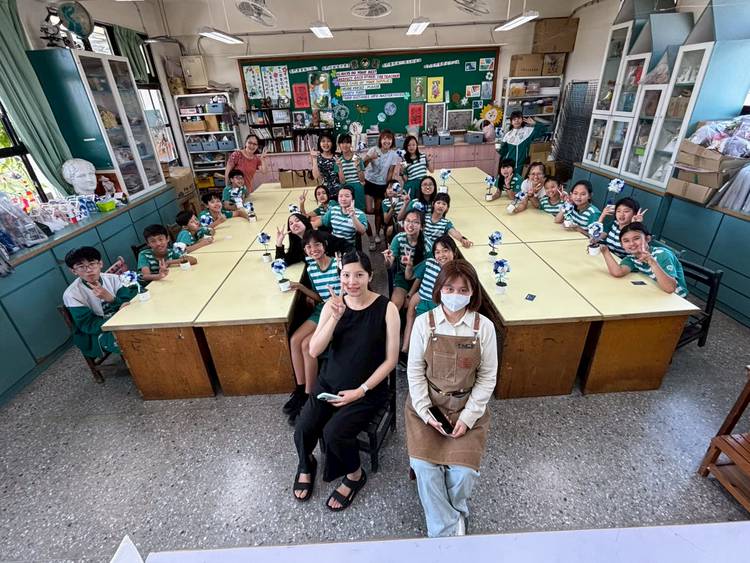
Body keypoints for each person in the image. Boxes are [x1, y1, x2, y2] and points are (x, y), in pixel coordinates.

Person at [293, 251, 399, 510]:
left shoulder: (387, 308)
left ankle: (355, 475)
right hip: (329, 383)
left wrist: (360, 391)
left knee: (334, 433)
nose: (352, 282)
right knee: (303, 427)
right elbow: (314, 350)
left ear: (370, 276)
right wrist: (335, 318)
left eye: (359, 275)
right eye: (346, 275)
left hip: (366, 389)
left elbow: (391, 361)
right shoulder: (333, 305)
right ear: (340, 277)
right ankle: (307, 463)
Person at [406, 259, 498, 538]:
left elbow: (487, 377)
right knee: (424, 467)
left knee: (464, 473)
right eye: (449, 288)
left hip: (467, 407)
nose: (455, 295)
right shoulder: (424, 323)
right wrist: (425, 411)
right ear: (439, 290)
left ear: (473, 293)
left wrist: (468, 417)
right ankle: (447, 529)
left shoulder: (484, 327)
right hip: (428, 406)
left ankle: (450, 513)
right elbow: (414, 371)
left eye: (463, 290)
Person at [283, 230, 341, 424]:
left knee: (307, 345)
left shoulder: (338, 265)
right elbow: (319, 297)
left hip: (338, 312)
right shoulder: (311, 269)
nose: (313, 249)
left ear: (324, 245)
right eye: (308, 246)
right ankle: (300, 390)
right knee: (294, 340)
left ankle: (309, 396)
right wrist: (301, 288)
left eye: (317, 244)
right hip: (322, 309)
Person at [63, 246, 137, 358]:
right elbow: (89, 325)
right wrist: (117, 320)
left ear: (100, 264)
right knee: (132, 343)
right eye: (81, 267)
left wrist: (111, 299)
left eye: (92, 264)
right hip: (99, 332)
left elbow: (128, 302)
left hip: (124, 320)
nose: (89, 270)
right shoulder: (72, 294)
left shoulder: (113, 279)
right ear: (74, 271)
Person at [401, 235, 457, 357]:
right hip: (422, 301)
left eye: (445, 250)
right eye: (437, 252)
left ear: (454, 251)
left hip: (438, 306)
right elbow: (409, 276)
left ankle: (422, 355)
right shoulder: (429, 263)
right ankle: (406, 350)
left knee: (427, 332)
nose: (441, 255)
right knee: (418, 327)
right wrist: (409, 266)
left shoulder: (456, 272)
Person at [600, 222, 687, 296]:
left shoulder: (662, 254)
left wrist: (652, 262)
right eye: (626, 241)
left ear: (648, 238)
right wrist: (605, 251)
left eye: (636, 238)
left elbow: (670, 288)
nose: (632, 243)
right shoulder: (632, 258)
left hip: (676, 298)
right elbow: (618, 272)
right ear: (622, 245)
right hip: (654, 292)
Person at [383, 209, 430, 310]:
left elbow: (423, 273)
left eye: (415, 222)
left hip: (421, 280)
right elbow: (389, 265)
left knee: (412, 308)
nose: (410, 225)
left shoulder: (427, 245)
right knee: (394, 306)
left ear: (422, 226)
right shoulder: (399, 238)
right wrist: (387, 259)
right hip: (403, 276)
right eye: (408, 221)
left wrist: (409, 295)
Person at [364, 130, 400, 250]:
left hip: (382, 184)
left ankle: (377, 234)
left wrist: (387, 187)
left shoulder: (393, 155)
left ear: (392, 141)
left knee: (378, 210)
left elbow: (390, 171)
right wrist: (370, 158)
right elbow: (363, 164)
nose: (386, 141)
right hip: (369, 181)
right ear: (380, 139)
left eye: (389, 139)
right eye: (384, 138)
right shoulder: (373, 150)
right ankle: (376, 224)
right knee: (369, 209)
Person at [320, 185, 367, 253]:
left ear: (353, 199)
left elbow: (362, 231)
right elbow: (321, 222)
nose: (343, 199)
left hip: (348, 247)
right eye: (340, 196)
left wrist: (353, 216)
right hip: (333, 244)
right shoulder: (334, 209)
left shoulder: (360, 214)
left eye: (347, 196)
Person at [497, 111, 545, 176]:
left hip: (521, 165)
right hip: (509, 166)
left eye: (519, 118)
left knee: (518, 180)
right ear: (511, 122)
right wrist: (499, 149)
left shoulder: (528, 131)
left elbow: (543, 130)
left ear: (522, 119)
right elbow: (503, 152)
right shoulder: (508, 134)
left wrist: (535, 123)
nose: (516, 121)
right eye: (514, 119)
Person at [335, 134, 366, 212]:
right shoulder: (338, 161)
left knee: (359, 212)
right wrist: (340, 167)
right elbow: (342, 182)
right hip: (345, 189)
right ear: (339, 145)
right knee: (346, 212)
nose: (345, 145)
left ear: (351, 144)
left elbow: (362, 180)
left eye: (347, 142)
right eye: (342, 143)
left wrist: (358, 167)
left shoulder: (357, 158)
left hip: (357, 188)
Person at [311, 133, 340, 200]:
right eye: (323, 141)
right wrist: (314, 158)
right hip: (325, 192)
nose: (326, 143)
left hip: (339, 191)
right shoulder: (317, 157)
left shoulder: (337, 156)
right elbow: (316, 176)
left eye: (328, 141)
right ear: (319, 143)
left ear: (332, 143)